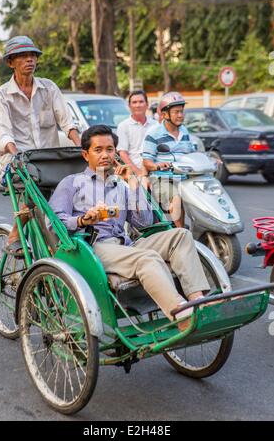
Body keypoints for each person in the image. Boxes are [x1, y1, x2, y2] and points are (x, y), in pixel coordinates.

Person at [49, 124, 215, 331]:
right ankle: (180, 313)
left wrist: (133, 185)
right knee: (148, 258)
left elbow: (144, 224)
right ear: (85, 155)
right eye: (98, 150)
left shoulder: (120, 185)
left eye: (109, 150)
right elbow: (53, 224)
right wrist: (82, 220)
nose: (105, 155)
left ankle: (196, 298)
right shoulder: (71, 183)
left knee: (180, 235)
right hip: (92, 247)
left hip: (125, 245)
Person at [0, 35, 81, 256]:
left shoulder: (49, 88)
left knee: (77, 185)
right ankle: (15, 233)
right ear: (11, 62)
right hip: (15, 161)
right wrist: (16, 154)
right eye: (23, 56)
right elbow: (4, 133)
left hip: (47, 160)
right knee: (35, 187)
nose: (29, 60)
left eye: (32, 55)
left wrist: (83, 147)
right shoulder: (2, 95)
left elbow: (67, 122)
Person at [142, 91, 197, 228]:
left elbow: (192, 155)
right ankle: (181, 233)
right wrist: (158, 166)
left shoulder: (185, 131)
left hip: (185, 178)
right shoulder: (154, 133)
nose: (180, 115)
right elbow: (147, 161)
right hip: (162, 179)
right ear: (165, 114)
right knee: (176, 198)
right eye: (176, 112)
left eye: (182, 111)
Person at [117, 90, 158, 177]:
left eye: (141, 102)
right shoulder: (123, 126)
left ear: (147, 104)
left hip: (155, 171)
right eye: (134, 102)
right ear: (129, 106)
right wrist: (138, 172)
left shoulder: (156, 125)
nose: (138, 105)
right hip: (134, 173)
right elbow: (123, 153)